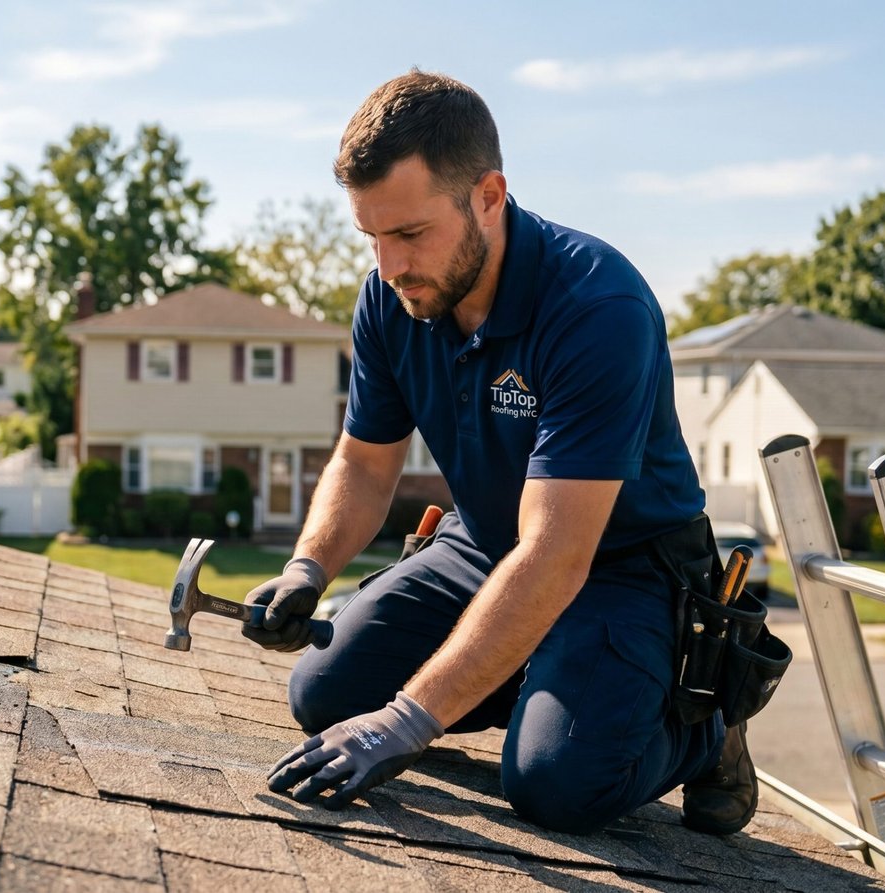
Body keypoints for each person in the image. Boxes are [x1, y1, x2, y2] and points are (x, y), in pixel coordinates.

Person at [242, 69, 757, 836]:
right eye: (372, 237)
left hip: (622, 567)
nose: (388, 266)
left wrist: (407, 721)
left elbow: (557, 553)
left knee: (557, 782)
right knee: (324, 694)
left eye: (409, 234)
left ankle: (703, 721)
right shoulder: (391, 297)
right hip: (483, 543)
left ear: (488, 195)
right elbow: (364, 463)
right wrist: (306, 569)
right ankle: (547, 676)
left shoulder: (597, 307)